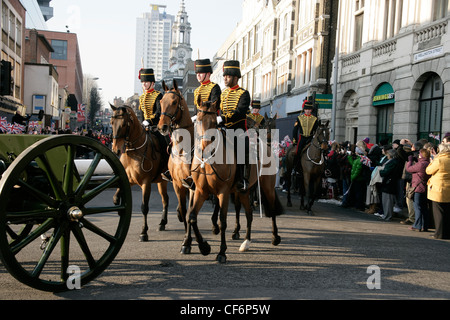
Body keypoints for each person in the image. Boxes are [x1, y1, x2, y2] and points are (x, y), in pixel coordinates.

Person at [182, 59, 222, 189]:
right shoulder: (197, 90)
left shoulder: (214, 87)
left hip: (211, 123)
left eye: (201, 73)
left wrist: (216, 117)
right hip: (199, 124)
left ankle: (239, 177)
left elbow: (214, 105)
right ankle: (190, 175)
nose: (198, 75)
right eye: (197, 73)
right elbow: (195, 108)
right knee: (185, 144)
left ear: (208, 74)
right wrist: (194, 117)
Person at [219, 60, 251, 192]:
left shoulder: (243, 94)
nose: (225, 78)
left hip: (238, 130)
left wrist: (223, 118)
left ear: (236, 77)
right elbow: (220, 110)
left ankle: (241, 179)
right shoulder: (223, 94)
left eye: (228, 76)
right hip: (223, 129)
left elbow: (240, 112)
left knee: (241, 149)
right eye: (224, 76)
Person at [137, 68, 170, 180]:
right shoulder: (141, 98)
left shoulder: (158, 95)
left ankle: (167, 169)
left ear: (152, 83)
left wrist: (149, 121)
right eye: (142, 82)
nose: (144, 84)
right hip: (145, 127)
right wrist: (142, 123)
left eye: (146, 82)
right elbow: (141, 113)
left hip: (156, 127)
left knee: (164, 144)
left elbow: (158, 113)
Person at [426, 143, 450, 239]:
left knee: (439, 212)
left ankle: (439, 233)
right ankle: (447, 233)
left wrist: (433, 160)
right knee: (448, 212)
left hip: (439, 188)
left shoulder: (439, 160)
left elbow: (428, 170)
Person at [405, 148, 430, 232]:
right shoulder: (428, 163)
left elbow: (409, 169)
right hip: (425, 187)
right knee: (424, 208)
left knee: (417, 207)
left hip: (418, 187)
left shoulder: (421, 164)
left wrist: (410, 161)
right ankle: (424, 225)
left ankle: (417, 225)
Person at [292, 99, 319, 174]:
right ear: (304, 110)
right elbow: (295, 130)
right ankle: (295, 168)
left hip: (310, 138)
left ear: (311, 110)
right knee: (298, 152)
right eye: (306, 109)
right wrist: (295, 140)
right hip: (302, 138)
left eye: (309, 109)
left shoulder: (315, 119)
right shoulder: (299, 118)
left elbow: (317, 131)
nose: (307, 111)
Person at [376, 149, 403, 221]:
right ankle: (386, 214)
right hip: (389, 182)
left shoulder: (393, 162)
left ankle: (387, 215)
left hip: (389, 182)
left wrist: (381, 171)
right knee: (386, 200)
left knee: (388, 200)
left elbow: (386, 171)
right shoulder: (393, 161)